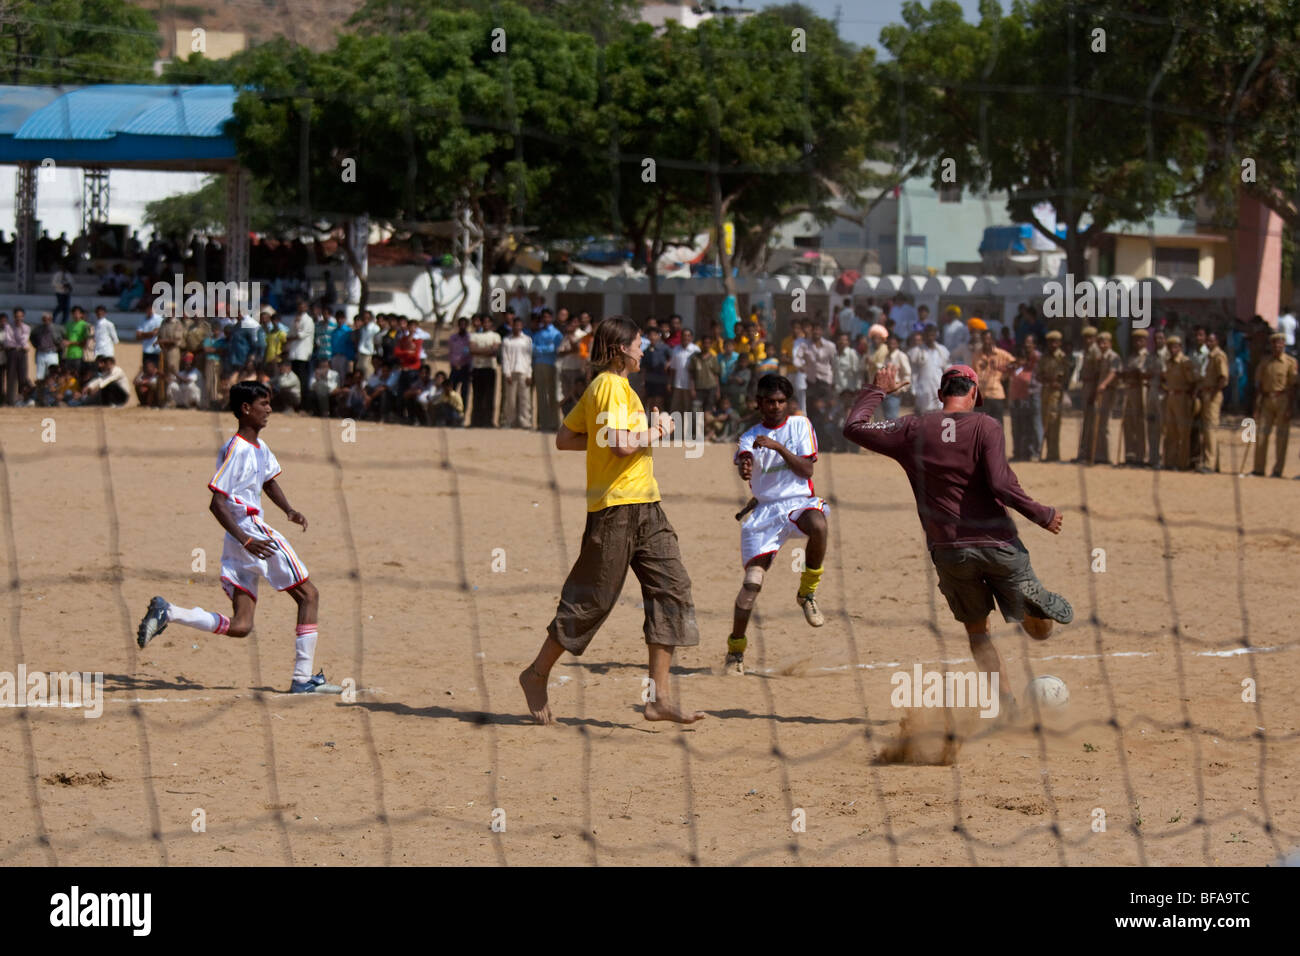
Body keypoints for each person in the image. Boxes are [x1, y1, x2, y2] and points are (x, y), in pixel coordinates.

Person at [844, 362, 1072, 717]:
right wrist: (1040, 514)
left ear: (939, 395)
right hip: (998, 543)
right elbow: (1000, 484)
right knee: (1041, 633)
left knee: (978, 631)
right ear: (975, 394)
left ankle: (1008, 706)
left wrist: (878, 391)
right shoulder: (986, 425)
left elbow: (853, 428)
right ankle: (1027, 605)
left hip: (949, 550)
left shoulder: (912, 426)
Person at [518, 316, 704, 725]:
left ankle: (659, 699)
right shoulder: (607, 387)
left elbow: (567, 438)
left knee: (671, 589)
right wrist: (658, 430)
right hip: (615, 509)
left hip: (648, 504)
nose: (645, 349)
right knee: (592, 601)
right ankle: (535, 674)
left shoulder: (615, 389)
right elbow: (620, 446)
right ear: (622, 347)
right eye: (640, 343)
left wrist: (617, 438)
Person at [136, 381, 341, 694]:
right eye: (263, 404)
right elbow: (216, 502)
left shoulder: (258, 446)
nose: (269, 409)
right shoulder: (237, 449)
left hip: (238, 541)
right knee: (309, 595)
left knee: (242, 625)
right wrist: (247, 539)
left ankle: (170, 612)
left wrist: (288, 509)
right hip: (250, 533)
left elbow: (268, 481)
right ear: (246, 409)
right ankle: (302, 679)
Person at [725, 373, 830, 675]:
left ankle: (807, 593)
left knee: (819, 525)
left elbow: (806, 468)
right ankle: (735, 650)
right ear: (759, 403)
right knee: (750, 586)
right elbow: (744, 457)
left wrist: (778, 447)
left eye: (781, 401)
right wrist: (746, 465)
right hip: (764, 514)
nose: (775, 406)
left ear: (788, 402)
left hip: (798, 503)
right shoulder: (750, 436)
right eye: (769, 402)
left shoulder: (801, 425)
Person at [1252, 333, 1297, 477]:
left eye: (1280, 343)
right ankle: (1258, 468)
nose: (1277, 346)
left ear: (1284, 344)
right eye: (1274, 343)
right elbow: (1258, 385)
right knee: (1261, 435)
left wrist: (1290, 407)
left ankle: (1278, 470)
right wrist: (1256, 406)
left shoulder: (1290, 362)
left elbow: (1293, 386)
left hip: (1283, 399)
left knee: (1281, 437)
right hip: (1266, 400)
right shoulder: (1265, 362)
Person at [1161, 335, 1198, 471]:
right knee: (1170, 431)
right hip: (1170, 396)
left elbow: (1192, 381)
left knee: (1183, 431)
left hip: (1182, 397)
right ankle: (1169, 461)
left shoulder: (1185, 362)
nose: (1172, 349)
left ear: (1180, 347)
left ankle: (1182, 463)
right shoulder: (1169, 362)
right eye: (1170, 347)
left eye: (1175, 346)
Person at [1197, 331, 1230, 473]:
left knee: (1210, 429)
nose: (1208, 344)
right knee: (1207, 429)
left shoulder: (1219, 356)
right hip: (1206, 394)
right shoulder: (1209, 357)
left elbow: (1223, 378)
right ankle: (1212, 463)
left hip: (1213, 395)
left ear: (1217, 342)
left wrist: (1214, 392)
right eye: (1207, 341)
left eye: (1211, 341)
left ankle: (1209, 464)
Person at [529, 309, 563, 430]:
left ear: (551, 318)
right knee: (541, 395)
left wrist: (540, 349)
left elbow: (555, 349)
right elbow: (533, 348)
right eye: (544, 317)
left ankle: (554, 423)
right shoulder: (538, 333)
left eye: (548, 317)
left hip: (551, 365)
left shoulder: (556, 333)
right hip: (538, 365)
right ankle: (543, 423)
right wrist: (544, 349)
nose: (546, 319)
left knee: (552, 395)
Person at [1120, 328, 1150, 466]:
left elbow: (1143, 374)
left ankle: (1141, 455)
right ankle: (1129, 454)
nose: (1138, 342)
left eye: (1141, 339)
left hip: (1141, 390)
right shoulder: (1131, 357)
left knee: (1141, 423)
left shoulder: (1146, 357)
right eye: (1136, 339)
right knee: (1128, 423)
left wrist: (1135, 372)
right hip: (1129, 390)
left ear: (1145, 341)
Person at [499, 315, 533, 428]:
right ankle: (510, 422)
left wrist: (529, 374)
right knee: (510, 400)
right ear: (512, 326)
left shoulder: (527, 340)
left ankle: (525, 422)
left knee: (525, 399)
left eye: (519, 325)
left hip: (524, 372)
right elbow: (505, 358)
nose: (517, 327)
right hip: (511, 372)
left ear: (522, 326)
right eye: (515, 325)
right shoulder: (507, 340)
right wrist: (507, 373)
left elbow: (529, 358)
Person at [908, 324, 950, 414]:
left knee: (939, 417)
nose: (930, 338)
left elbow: (948, 371)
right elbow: (913, 373)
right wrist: (913, 390)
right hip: (922, 389)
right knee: (923, 419)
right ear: (924, 336)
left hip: (938, 387)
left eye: (932, 335)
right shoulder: (916, 352)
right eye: (928, 335)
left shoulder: (942, 351)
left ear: (935, 336)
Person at [469, 314, 502, 427]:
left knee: (489, 396)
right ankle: (476, 421)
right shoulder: (474, 336)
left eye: (488, 322)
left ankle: (489, 421)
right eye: (484, 322)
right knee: (477, 395)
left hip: (490, 368)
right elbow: (472, 350)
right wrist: (488, 350)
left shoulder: (495, 335)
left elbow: (494, 351)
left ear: (491, 323)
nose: (486, 324)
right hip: (477, 368)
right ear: (481, 323)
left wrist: (480, 350)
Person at [1073, 326, 1101, 462]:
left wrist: (1094, 393)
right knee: (1086, 421)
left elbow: (1097, 374)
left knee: (1091, 421)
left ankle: (1089, 454)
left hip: (1092, 386)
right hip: (1085, 385)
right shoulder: (1087, 350)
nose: (1088, 340)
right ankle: (1083, 452)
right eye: (1086, 338)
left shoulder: (1095, 351)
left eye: (1090, 337)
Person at [285, 301, 315, 399]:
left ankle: (304, 403)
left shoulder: (308, 320)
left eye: (303, 307)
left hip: (303, 353)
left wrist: (297, 324)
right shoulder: (294, 319)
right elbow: (289, 334)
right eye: (299, 307)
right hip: (294, 353)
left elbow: (300, 335)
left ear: (306, 308)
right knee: (294, 378)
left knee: (302, 379)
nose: (301, 309)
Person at [1, 310, 31, 405]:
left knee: (23, 376)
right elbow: (9, 341)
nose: (18, 318)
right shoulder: (8, 327)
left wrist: (20, 345)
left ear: (23, 316)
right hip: (12, 352)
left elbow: (24, 340)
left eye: (20, 316)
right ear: (14, 316)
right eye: (16, 316)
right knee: (11, 377)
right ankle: (10, 400)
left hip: (21, 353)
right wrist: (18, 345)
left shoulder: (26, 327)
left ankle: (22, 398)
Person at [667, 327, 699, 415]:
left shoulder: (696, 350)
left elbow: (698, 371)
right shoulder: (676, 349)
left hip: (690, 386)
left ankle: (686, 429)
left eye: (688, 336)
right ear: (681, 337)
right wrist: (670, 383)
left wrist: (695, 386)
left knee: (688, 410)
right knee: (675, 410)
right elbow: (673, 368)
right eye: (684, 336)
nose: (686, 338)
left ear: (692, 338)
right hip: (677, 385)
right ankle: (675, 428)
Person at [641, 327, 671, 411]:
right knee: (649, 402)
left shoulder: (665, 348)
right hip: (649, 380)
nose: (652, 337)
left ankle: (658, 422)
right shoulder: (646, 350)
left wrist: (668, 364)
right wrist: (643, 382)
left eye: (654, 335)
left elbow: (673, 359)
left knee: (658, 402)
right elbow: (643, 367)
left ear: (659, 336)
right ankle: (651, 422)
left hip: (661, 380)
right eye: (650, 335)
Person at [30, 312, 62, 385]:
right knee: (40, 374)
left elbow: (61, 338)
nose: (46, 321)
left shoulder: (56, 328)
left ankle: (53, 390)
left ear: (51, 319)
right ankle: (39, 391)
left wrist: (58, 346)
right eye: (44, 320)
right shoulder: (38, 329)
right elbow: (32, 338)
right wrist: (36, 345)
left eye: (48, 319)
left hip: (52, 353)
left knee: (54, 373)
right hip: (41, 352)